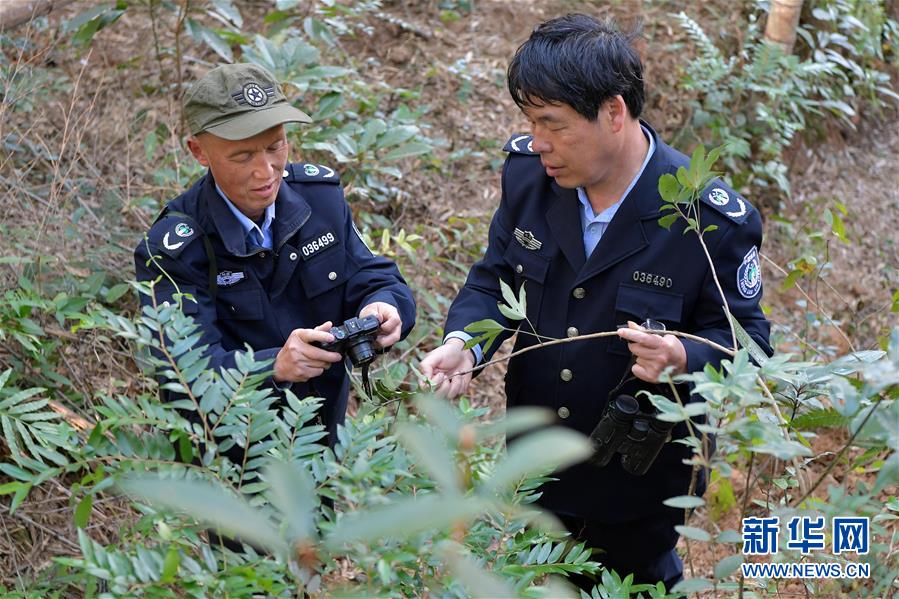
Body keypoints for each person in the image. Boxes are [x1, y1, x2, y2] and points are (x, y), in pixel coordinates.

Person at [420, 14, 771, 590]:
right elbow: (496, 278)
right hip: (536, 468)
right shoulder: (530, 179)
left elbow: (750, 345)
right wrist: (466, 344)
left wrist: (683, 357)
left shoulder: (706, 220)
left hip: (639, 484)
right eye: (531, 123)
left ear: (613, 112)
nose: (539, 142)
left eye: (553, 124)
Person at [134, 63, 416, 444]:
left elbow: (374, 277)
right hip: (230, 455)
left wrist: (385, 306)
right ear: (199, 151)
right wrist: (273, 367)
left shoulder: (319, 199)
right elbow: (184, 380)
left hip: (325, 442)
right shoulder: (173, 250)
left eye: (275, 146)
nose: (266, 171)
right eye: (242, 156)